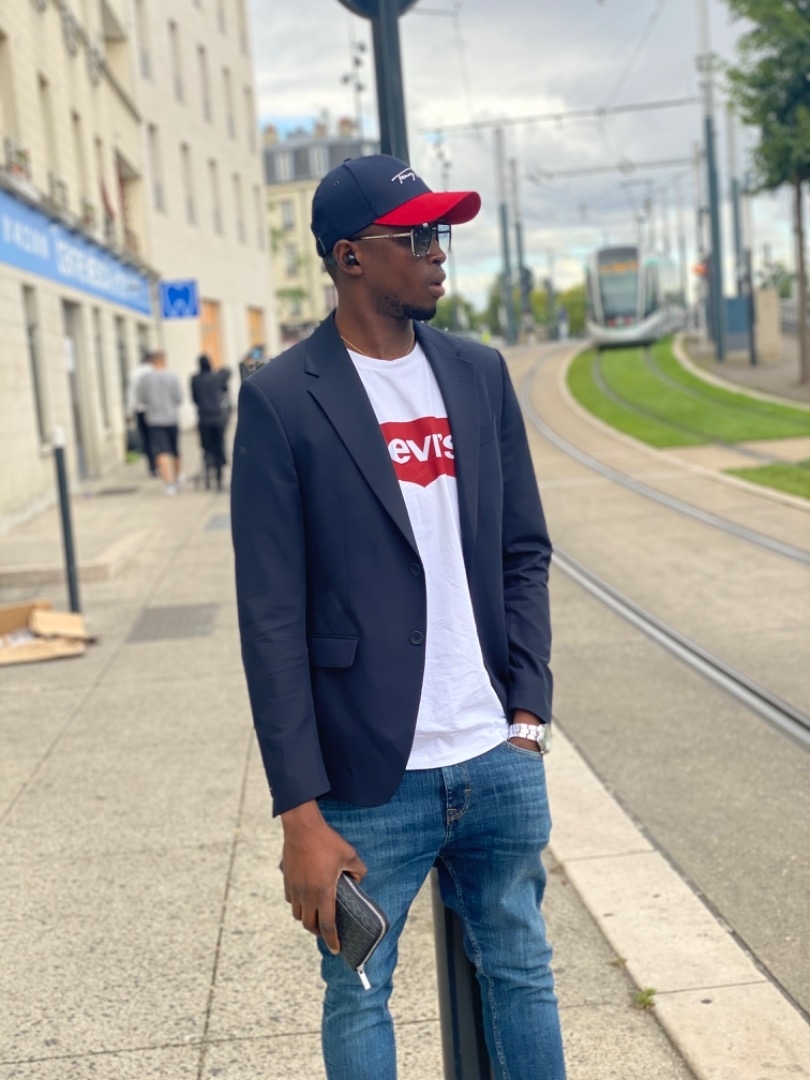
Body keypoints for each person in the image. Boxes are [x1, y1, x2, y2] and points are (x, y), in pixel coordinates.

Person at [231, 154, 565, 1080]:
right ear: (350, 257)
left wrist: (527, 713)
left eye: (441, 233)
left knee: (524, 970)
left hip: (495, 753)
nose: (437, 252)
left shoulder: (479, 373)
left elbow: (523, 550)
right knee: (358, 992)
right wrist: (299, 813)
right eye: (416, 236)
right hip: (365, 780)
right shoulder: (282, 398)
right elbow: (270, 618)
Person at [137, 349, 183, 495]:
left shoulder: (145, 378)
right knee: (175, 450)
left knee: (161, 451)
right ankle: (176, 478)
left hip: (154, 420)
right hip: (171, 418)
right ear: (164, 360)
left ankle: (168, 483)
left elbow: (142, 398)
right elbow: (178, 397)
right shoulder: (172, 376)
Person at [190, 354, 231, 490]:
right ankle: (219, 478)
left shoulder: (195, 379)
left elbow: (194, 398)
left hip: (204, 417)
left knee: (206, 447)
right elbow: (225, 387)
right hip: (217, 417)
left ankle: (208, 473)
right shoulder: (217, 378)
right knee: (219, 447)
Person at [126, 352, 156, 476]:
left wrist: (129, 411)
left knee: (146, 438)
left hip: (140, 411)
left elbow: (131, 394)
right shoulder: (155, 371)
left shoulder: (134, 373)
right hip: (155, 411)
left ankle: (152, 466)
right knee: (156, 438)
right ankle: (159, 463)